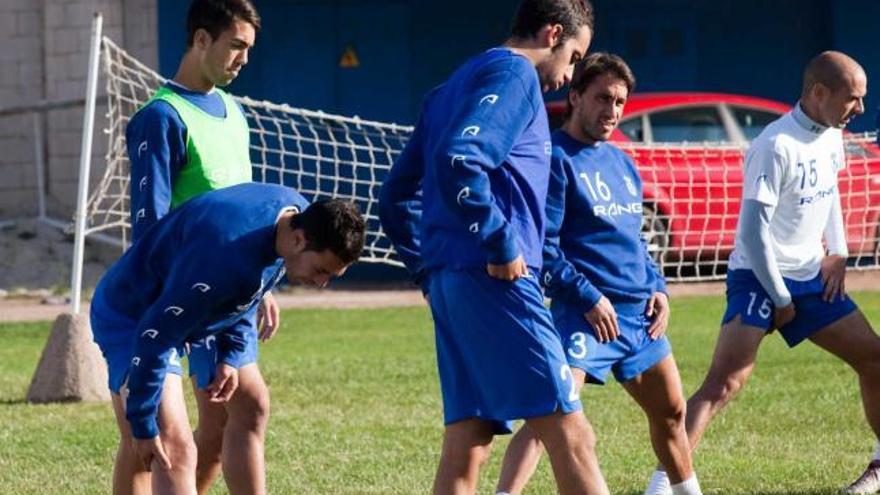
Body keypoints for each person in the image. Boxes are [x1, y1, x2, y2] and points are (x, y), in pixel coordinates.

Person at [379, 1, 606, 494]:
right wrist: (500, 242)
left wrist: (428, 269)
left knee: (468, 445)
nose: (569, 76)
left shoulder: (450, 87)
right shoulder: (514, 76)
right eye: (573, 58)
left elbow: (394, 197)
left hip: (452, 282)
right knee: (573, 437)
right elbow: (462, 159)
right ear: (551, 34)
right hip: (495, 280)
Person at [640, 51, 880, 495]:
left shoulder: (831, 135)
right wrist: (781, 298)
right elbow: (753, 233)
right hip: (758, 276)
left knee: (875, 359)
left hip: (811, 277)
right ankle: (664, 485)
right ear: (818, 93)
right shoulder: (774, 145)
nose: (860, 109)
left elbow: (829, 196)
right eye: (853, 98)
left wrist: (840, 252)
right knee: (724, 383)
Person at [492, 53, 702, 495]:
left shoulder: (622, 163)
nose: (612, 111)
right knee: (548, 416)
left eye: (621, 102)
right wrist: (589, 298)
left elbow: (635, 240)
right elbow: (542, 250)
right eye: (603, 98)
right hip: (584, 314)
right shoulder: (552, 160)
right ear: (575, 97)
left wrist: (658, 288)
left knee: (672, 413)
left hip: (639, 316)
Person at [91, 183, 366, 494]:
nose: (321, 283)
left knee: (152, 446)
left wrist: (230, 356)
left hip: (175, 311)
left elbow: (251, 286)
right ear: (299, 239)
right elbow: (153, 336)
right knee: (170, 448)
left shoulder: (292, 214)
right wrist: (141, 420)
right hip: (132, 316)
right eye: (320, 271)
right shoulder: (220, 259)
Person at [124, 1, 274, 493]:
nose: (243, 60)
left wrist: (262, 283)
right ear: (201, 39)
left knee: (216, 426)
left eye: (249, 49)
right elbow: (149, 224)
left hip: (232, 289)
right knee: (235, 410)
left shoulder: (235, 111)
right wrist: (167, 300)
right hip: (188, 288)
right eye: (236, 46)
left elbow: (249, 213)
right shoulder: (161, 118)